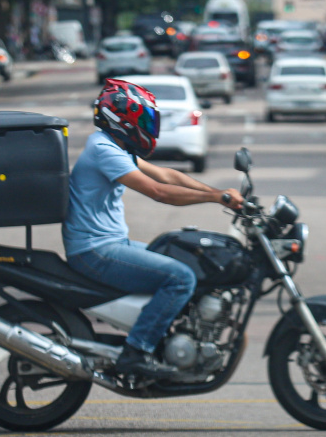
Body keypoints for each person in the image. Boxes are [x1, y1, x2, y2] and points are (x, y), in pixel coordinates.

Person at [63, 79, 244, 379]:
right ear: (122, 119)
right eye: (143, 120)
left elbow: (166, 175)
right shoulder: (103, 149)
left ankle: (168, 337)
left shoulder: (114, 145)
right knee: (180, 278)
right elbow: (158, 191)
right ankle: (137, 351)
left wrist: (218, 192)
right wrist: (216, 198)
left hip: (110, 243)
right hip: (95, 250)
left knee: (185, 262)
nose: (147, 126)